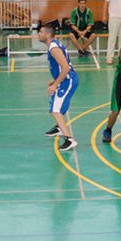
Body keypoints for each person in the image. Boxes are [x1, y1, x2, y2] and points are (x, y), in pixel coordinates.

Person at [39, 24, 79, 152]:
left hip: (68, 81)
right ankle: (58, 127)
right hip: (65, 80)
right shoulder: (54, 45)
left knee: (55, 110)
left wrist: (56, 84)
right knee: (56, 104)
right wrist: (54, 80)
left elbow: (66, 68)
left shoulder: (53, 48)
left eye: (40, 32)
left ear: (46, 34)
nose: (38, 34)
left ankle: (69, 139)